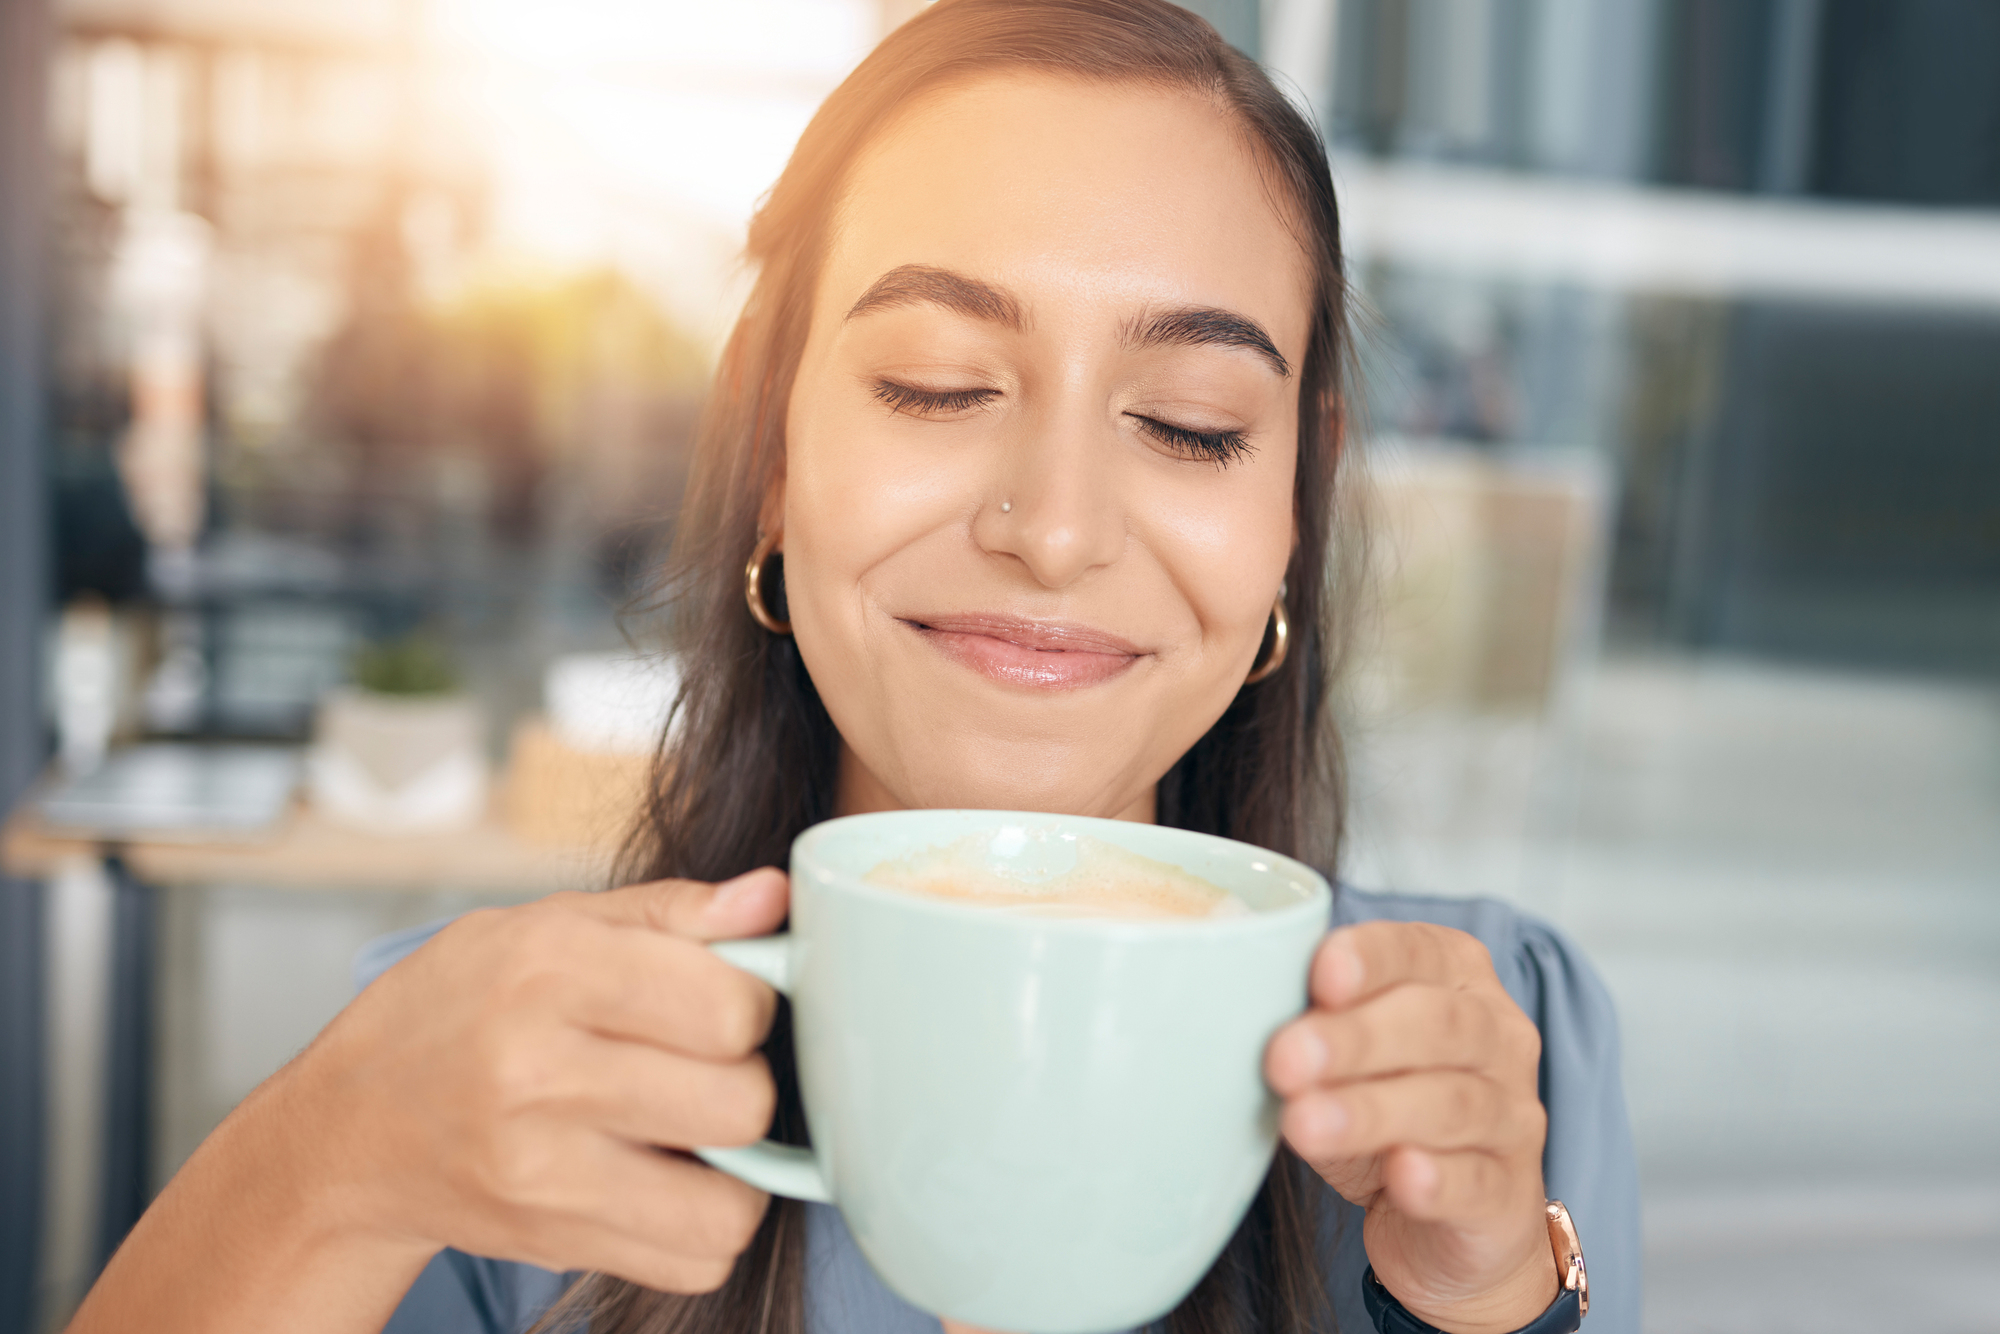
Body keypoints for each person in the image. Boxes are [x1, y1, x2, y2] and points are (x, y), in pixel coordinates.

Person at [64, 2, 1638, 1332]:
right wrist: (329, 1156)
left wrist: (1489, 1296)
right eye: (940, 385)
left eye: (1192, 424)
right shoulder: (492, 1060)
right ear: (771, 452)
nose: (1056, 528)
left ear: (1293, 502)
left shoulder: (1503, 1035)